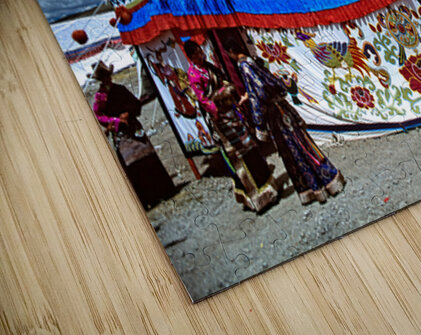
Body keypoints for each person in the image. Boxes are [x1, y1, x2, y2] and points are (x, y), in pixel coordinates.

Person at [226, 41, 345, 205]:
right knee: (302, 143)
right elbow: (269, 84)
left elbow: (258, 94)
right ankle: (327, 182)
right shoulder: (252, 61)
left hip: (276, 117)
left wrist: (258, 123)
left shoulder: (244, 66)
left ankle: (316, 187)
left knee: (294, 150)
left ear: (231, 51)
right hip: (281, 108)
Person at [184, 40, 278, 212]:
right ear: (191, 57)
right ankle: (255, 198)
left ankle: (268, 187)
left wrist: (229, 88)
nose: (200, 55)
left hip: (232, 113)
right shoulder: (194, 75)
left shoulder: (209, 67)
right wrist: (221, 96)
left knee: (250, 146)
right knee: (239, 153)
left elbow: (223, 81)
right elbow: (203, 100)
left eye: (200, 51)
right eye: (196, 53)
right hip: (221, 119)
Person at [90, 61, 176, 208]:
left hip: (133, 127)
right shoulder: (100, 97)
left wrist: (128, 113)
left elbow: (135, 103)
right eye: (104, 77)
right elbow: (98, 115)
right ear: (100, 80)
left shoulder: (120, 89)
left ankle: (164, 191)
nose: (107, 79)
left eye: (108, 76)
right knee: (133, 164)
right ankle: (148, 199)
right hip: (121, 134)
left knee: (148, 157)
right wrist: (116, 121)